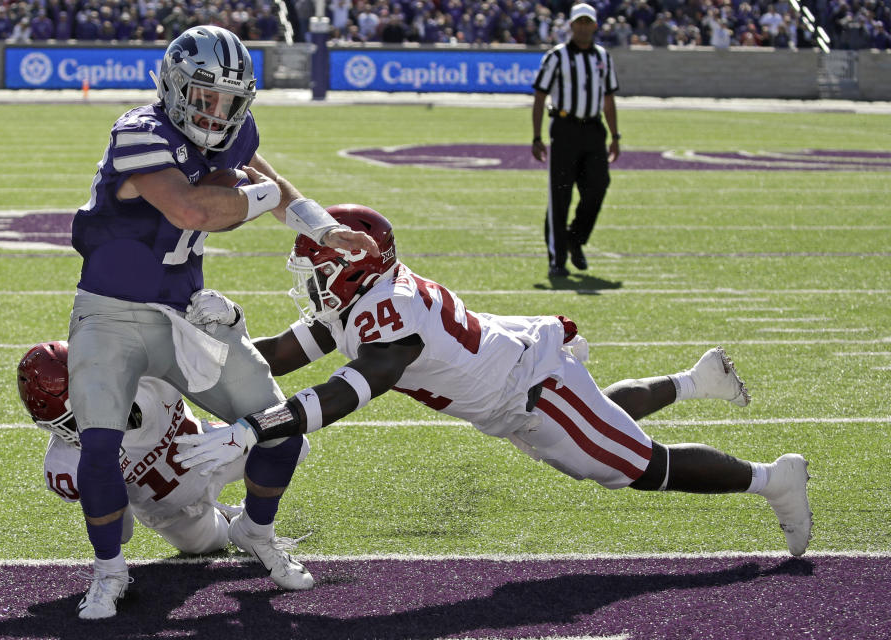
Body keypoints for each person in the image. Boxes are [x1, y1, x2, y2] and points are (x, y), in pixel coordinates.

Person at [172, 204, 813, 563]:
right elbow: (280, 356)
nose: (304, 276)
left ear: (352, 265)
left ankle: (770, 479)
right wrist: (212, 344)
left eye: (314, 263)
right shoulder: (357, 302)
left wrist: (255, 428)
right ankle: (692, 381)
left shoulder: (386, 315)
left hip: (531, 389)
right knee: (599, 433)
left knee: (635, 465)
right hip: (515, 381)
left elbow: (345, 394)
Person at [66, 25, 378, 620]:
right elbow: (192, 209)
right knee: (100, 445)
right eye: (206, 97)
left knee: (280, 427)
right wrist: (253, 198)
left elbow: (266, 178)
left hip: (189, 313)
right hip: (111, 313)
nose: (219, 111)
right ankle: (108, 570)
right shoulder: (139, 132)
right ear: (175, 87)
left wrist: (321, 226)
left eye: (231, 100)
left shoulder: (232, 133)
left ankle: (256, 532)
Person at [18, 341, 310, 556]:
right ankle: (230, 520)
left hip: (208, 450)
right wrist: (108, 494)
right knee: (211, 545)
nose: (92, 418)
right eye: (74, 420)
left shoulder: (146, 371)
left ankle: (249, 520)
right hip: (173, 512)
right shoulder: (67, 464)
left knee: (292, 446)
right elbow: (122, 534)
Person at [532, 2, 621, 276]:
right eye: (578, 22)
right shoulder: (556, 57)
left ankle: (576, 238)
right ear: (571, 26)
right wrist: (536, 136)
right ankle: (557, 259)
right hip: (565, 127)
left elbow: (608, 98)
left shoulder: (603, 57)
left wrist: (615, 136)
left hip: (594, 129)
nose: (583, 27)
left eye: (587, 22)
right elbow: (540, 96)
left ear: (594, 25)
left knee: (598, 185)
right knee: (560, 194)